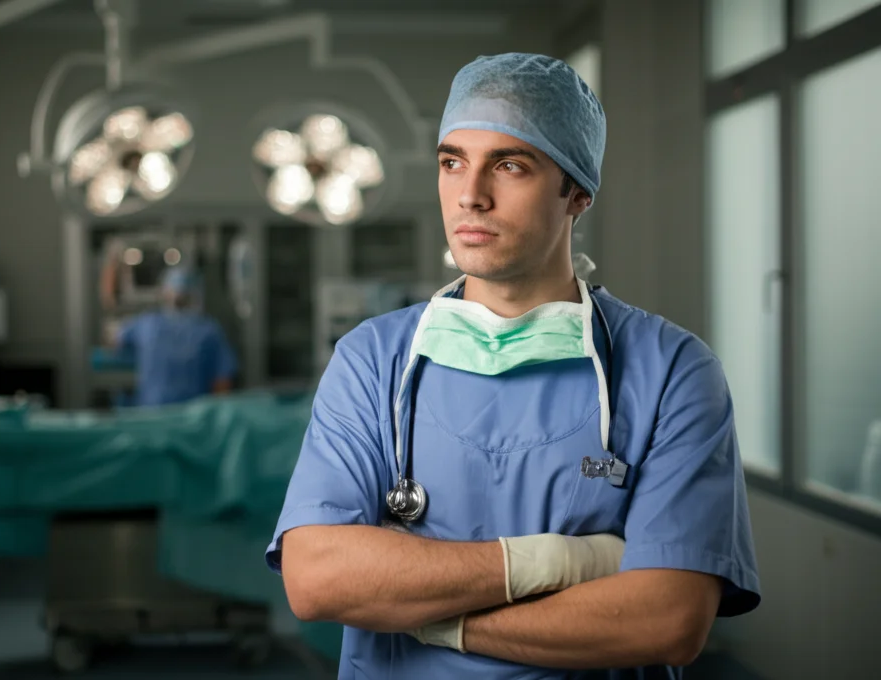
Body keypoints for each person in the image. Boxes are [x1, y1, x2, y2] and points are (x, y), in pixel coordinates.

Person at [265, 53, 761, 679]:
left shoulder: (672, 371)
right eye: (452, 162)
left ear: (576, 192)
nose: (470, 195)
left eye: (509, 165)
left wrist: (432, 617)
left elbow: (667, 619)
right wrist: (563, 563)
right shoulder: (374, 360)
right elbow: (316, 580)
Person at [116, 266, 237, 406]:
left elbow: (116, 340)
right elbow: (222, 385)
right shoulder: (209, 330)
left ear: (165, 293)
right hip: (192, 420)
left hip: (151, 415)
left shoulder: (148, 323)